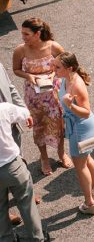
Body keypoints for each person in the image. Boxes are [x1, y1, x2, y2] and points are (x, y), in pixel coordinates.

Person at [12, 18, 67, 175]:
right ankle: (44, 158)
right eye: (22, 33)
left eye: (26, 34)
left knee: (59, 124)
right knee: (39, 126)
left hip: (53, 92)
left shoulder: (53, 46)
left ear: (37, 34)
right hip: (34, 96)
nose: (23, 37)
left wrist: (52, 75)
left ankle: (61, 153)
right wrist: (29, 76)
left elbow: (67, 65)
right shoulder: (20, 50)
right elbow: (16, 69)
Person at [54, 53, 94, 216]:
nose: (54, 70)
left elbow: (86, 112)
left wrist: (70, 106)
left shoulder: (77, 85)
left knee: (80, 165)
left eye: (57, 67)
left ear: (70, 68)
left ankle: (90, 203)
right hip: (80, 126)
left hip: (81, 128)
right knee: (87, 158)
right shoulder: (66, 78)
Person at [0, 96, 44, 240]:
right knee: (27, 204)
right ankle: (37, 238)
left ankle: (7, 239)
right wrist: (27, 117)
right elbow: (25, 113)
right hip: (12, 166)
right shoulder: (4, 109)